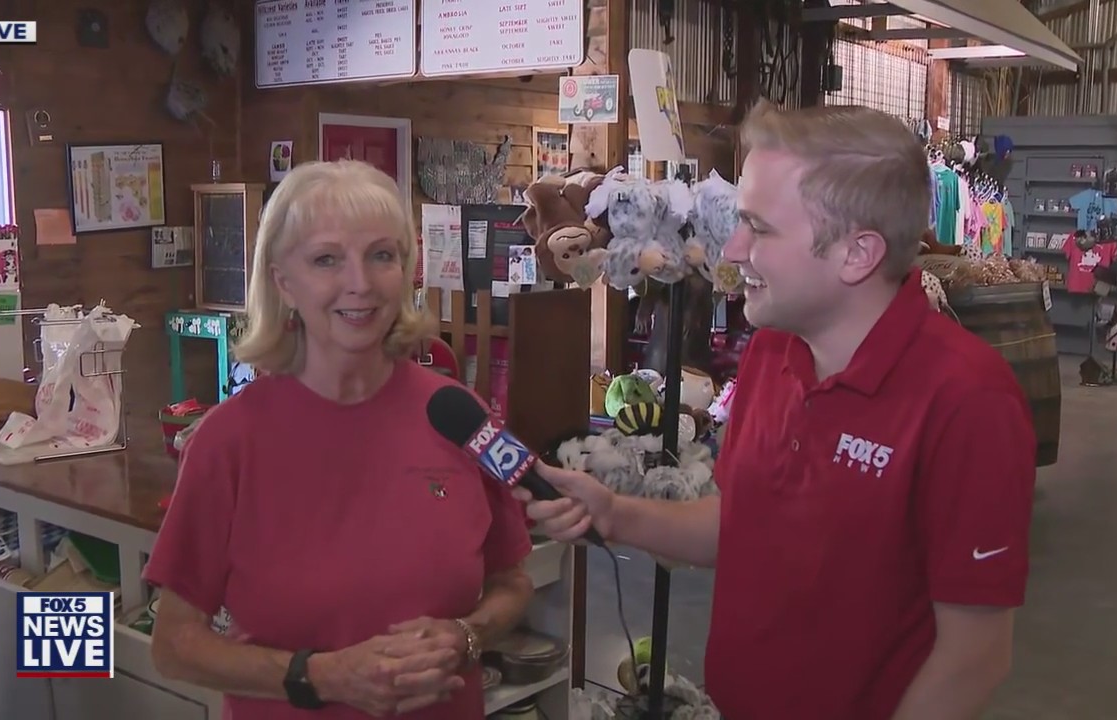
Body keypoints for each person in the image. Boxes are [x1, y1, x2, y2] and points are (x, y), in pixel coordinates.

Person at [516, 104, 1037, 720]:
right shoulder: (772, 352)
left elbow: (972, 657)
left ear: (856, 253)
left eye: (759, 229)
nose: (734, 249)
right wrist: (617, 514)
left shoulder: (967, 400)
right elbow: (745, 525)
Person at [145, 159, 535, 719]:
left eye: (382, 255)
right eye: (327, 259)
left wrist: (468, 636)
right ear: (283, 281)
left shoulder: (461, 417)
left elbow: (512, 581)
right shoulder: (229, 441)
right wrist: (323, 676)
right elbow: (175, 645)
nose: (360, 282)